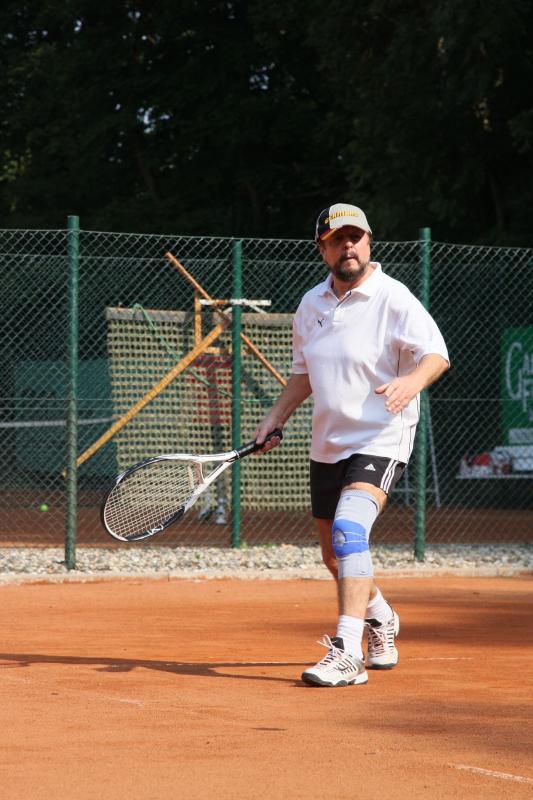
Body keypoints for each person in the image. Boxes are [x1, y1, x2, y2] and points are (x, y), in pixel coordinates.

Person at [254, 202, 449, 687]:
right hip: (328, 442)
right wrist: (276, 415)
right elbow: (304, 374)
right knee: (334, 557)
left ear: (368, 242)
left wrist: (411, 383)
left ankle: (347, 652)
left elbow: (436, 354)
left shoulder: (393, 297)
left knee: (349, 528)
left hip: (381, 435)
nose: (348, 246)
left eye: (355, 237)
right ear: (321, 248)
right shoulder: (310, 305)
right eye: (337, 239)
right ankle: (381, 618)